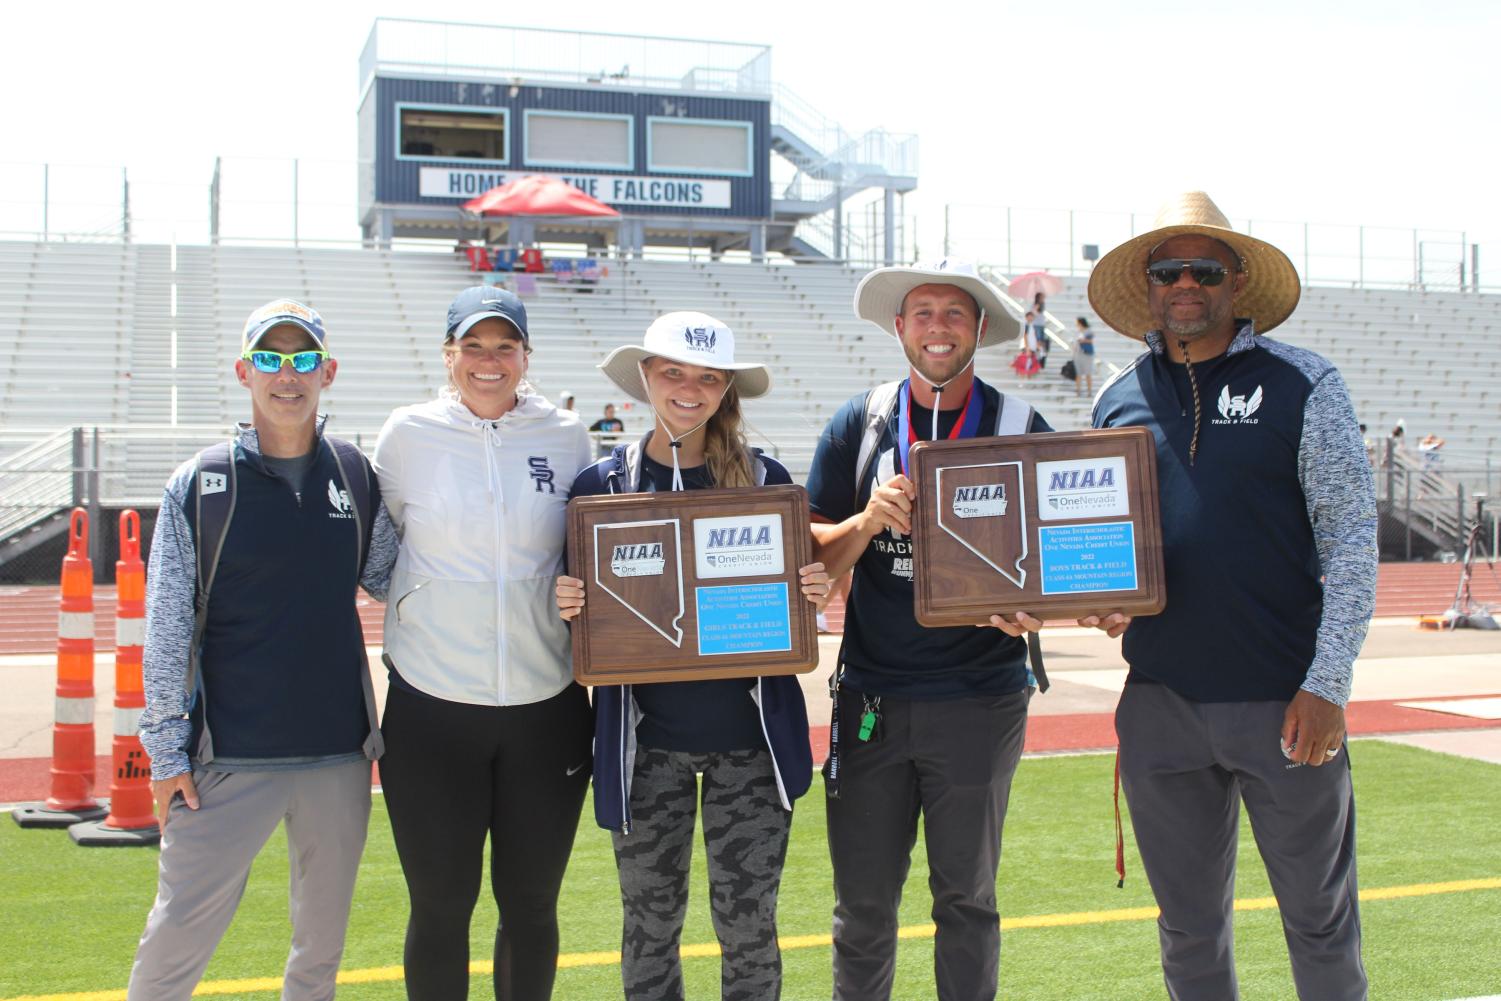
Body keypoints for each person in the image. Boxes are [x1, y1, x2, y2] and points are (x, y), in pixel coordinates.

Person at [1084, 191, 1377, 1000]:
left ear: (1235, 282)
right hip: (1158, 701)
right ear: (1146, 284)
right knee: (1184, 926)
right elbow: (1108, 552)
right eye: (1167, 269)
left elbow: (1351, 537)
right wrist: (1099, 598)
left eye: (1203, 269)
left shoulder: (1303, 383)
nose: (1184, 283)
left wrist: (1326, 683)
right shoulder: (1115, 398)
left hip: (1284, 698)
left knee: (1317, 917)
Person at [555, 311, 829, 1001]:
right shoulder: (597, 487)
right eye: (672, 371)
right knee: (648, 925)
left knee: (747, 926)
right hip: (644, 751)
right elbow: (578, 632)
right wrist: (564, 603)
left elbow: (793, 607)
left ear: (725, 388)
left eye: (706, 377)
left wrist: (809, 590)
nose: (687, 388)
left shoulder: (764, 477)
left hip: (750, 746)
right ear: (645, 375)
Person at [130, 300, 398, 1001]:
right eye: (272, 359)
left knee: (318, 957)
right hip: (226, 758)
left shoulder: (356, 475)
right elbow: (164, 629)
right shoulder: (199, 485)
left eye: (304, 358)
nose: (288, 375)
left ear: (328, 372)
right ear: (244, 371)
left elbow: (399, 579)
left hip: (338, 757)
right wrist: (163, 751)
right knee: (173, 945)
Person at [806, 260, 1053, 1001]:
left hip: (981, 696)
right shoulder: (860, 422)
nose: (937, 326)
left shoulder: (1019, 425)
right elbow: (812, 556)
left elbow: (1059, 560)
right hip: (872, 697)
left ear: (978, 328)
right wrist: (864, 518)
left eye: (954, 313)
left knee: (967, 902)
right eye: (922, 312)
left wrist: (1033, 608)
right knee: (863, 908)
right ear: (898, 327)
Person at [374, 287, 596, 1001]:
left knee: (531, 905)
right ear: (448, 355)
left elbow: (584, 550)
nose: (489, 361)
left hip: (546, 704)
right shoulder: (405, 435)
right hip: (432, 708)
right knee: (440, 906)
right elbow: (381, 553)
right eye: (473, 346)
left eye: (505, 347)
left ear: (526, 357)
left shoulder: (566, 435)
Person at [1071, 316, 1097, 397]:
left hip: (1087, 355)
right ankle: (1078, 391)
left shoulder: (1088, 331)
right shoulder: (1079, 332)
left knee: (1087, 373)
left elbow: (1091, 340)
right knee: (1078, 373)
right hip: (1078, 354)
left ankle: (1089, 391)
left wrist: (1083, 340)